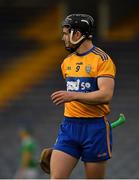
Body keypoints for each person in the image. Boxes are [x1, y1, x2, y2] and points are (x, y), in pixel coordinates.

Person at [50, 14, 116, 179]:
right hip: (69, 126)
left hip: (94, 128)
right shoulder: (66, 62)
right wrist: (74, 97)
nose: (63, 37)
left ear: (77, 34)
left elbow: (105, 95)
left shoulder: (103, 60)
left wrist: (73, 95)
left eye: (66, 33)